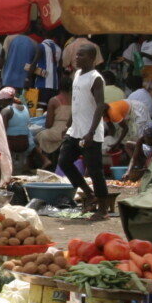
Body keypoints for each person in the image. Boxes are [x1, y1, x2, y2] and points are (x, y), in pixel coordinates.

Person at [59, 42, 112, 214]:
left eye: (81, 55)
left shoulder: (95, 78)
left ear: (91, 58)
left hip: (90, 133)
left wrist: (91, 132)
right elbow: (77, 102)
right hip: (75, 130)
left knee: (95, 171)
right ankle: (89, 195)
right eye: (77, 55)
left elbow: (100, 106)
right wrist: (69, 123)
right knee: (64, 161)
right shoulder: (77, 74)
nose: (76, 57)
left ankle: (103, 208)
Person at [0, 87, 35, 176]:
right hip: (25, 144)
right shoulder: (25, 108)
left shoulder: (6, 111)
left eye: (0, 101)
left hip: (13, 145)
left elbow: (2, 132)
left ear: (4, 100)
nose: (0, 104)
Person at [0, 33, 38, 108]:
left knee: (8, 106)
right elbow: (34, 64)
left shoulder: (9, 38)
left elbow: (2, 56)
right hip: (25, 82)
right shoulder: (34, 43)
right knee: (22, 106)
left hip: (8, 79)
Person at [34, 90, 73, 163]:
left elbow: (48, 125)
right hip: (70, 133)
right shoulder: (76, 100)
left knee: (36, 138)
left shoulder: (54, 100)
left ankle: (44, 160)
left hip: (57, 133)